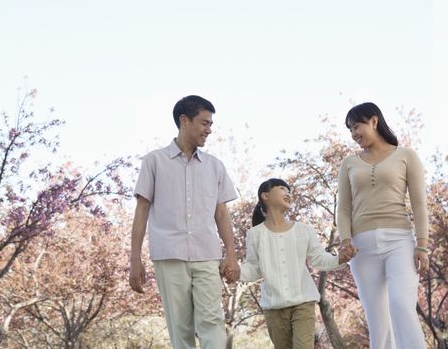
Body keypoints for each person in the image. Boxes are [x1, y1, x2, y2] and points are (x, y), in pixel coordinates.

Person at [129, 95, 240, 349]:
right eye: (204, 123)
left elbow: (221, 214)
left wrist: (231, 254)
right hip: (169, 255)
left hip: (207, 255)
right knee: (180, 328)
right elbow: (141, 211)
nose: (209, 130)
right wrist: (135, 259)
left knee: (212, 322)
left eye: (210, 124)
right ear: (184, 120)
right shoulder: (154, 161)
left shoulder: (215, 166)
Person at [337, 102, 430, 348]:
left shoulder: (406, 156)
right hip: (361, 247)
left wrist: (422, 246)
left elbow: (419, 204)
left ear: (374, 121)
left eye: (356, 126)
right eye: (350, 130)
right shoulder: (348, 163)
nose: (354, 134)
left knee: (401, 304)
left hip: (399, 240)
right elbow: (344, 208)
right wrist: (345, 241)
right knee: (377, 319)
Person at [228, 178, 355, 349]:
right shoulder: (255, 234)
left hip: (303, 303)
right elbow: (254, 268)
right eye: (282, 189)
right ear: (265, 195)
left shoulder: (304, 230)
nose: (288, 194)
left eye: (289, 191)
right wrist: (235, 272)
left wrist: (340, 259)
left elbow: (319, 259)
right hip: (274, 309)